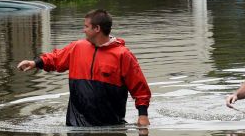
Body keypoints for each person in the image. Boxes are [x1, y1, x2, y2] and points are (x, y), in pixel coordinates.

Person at [17, 9, 151, 127]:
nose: (83, 30)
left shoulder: (123, 55)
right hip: (74, 126)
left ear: (97, 29)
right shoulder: (77, 47)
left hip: (110, 128)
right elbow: (56, 58)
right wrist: (35, 63)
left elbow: (139, 87)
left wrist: (143, 115)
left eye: (86, 26)